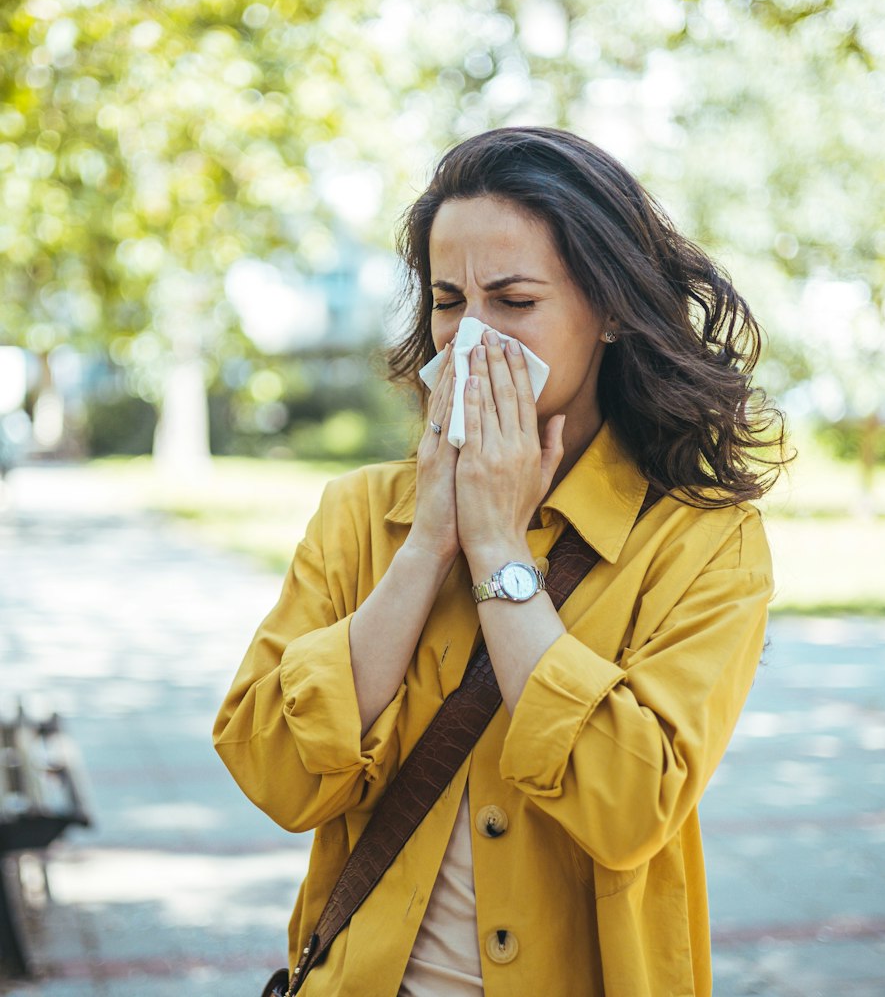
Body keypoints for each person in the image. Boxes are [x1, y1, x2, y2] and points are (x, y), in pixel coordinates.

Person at [214, 126, 788, 997]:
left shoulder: (702, 542)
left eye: (514, 300)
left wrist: (495, 546)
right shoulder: (361, 514)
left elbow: (631, 807)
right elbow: (274, 772)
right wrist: (429, 545)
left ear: (607, 313)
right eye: (449, 301)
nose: (471, 339)